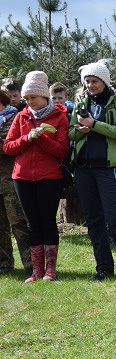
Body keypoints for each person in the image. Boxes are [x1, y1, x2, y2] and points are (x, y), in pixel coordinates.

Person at [69, 62, 116, 282]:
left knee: (115, 218)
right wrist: (80, 130)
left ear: (105, 81)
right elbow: (71, 135)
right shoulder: (81, 101)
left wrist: (94, 125)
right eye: (88, 81)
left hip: (109, 168)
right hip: (83, 169)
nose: (90, 85)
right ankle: (103, 268)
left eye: (95, 81)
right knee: (93, 219)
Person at [2, 71, 69, 282]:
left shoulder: (59, 117)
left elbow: (62, 150)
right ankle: (36, 269)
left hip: (49, 176)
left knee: (47, 221)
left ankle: (50, 270)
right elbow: (9, 147)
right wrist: (28, 138)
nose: (30, 102)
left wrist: (41, 139)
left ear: (44, 96)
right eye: (27, 98)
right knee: (32, 223)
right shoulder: (21, 116)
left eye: (34, 97)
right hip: (22, 177)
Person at [0, 90, 31, 276]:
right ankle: (4, 263)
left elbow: (8, 146)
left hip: (12, 181)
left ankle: (31, 263)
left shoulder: (14, 118)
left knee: (19, 223)